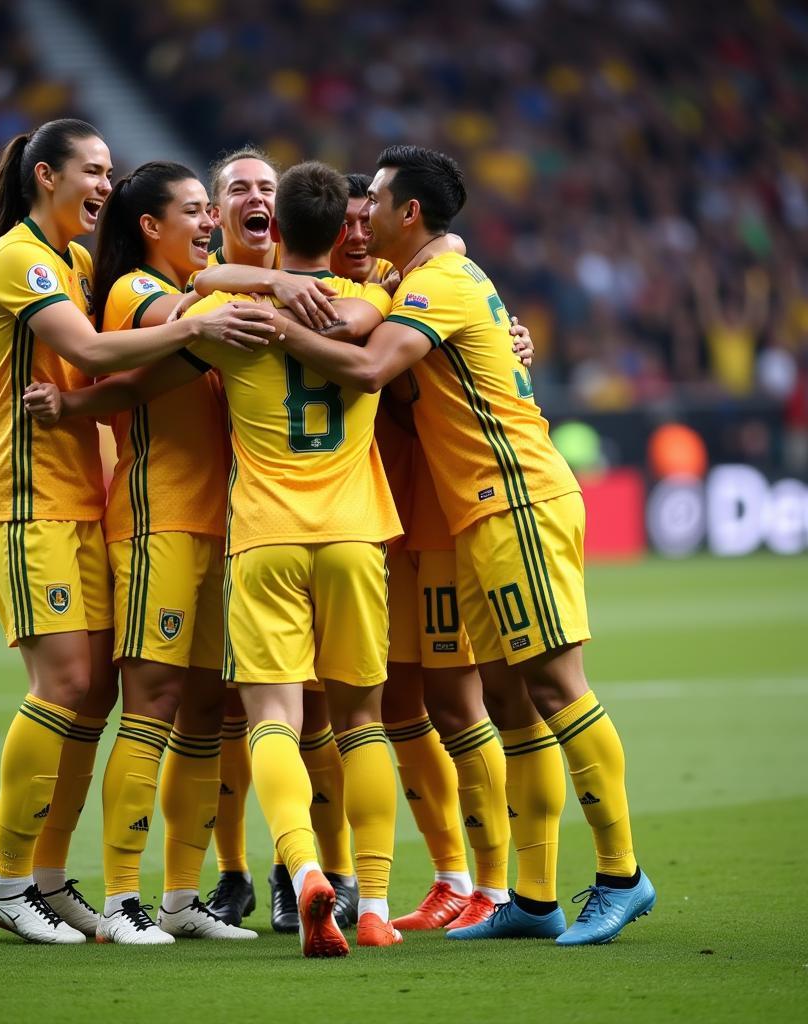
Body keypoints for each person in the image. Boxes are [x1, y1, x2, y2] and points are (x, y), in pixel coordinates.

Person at [266, 145, 655, 947]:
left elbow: (372, 367)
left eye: (372, 199)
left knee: (556, 686)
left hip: (517, 498)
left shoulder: (438, 284)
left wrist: (276, 328)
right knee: (512, 702)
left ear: (409, 212)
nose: (360, 213)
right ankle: (534, 898)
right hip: (479, 511)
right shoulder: (430, 280)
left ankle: (622, 875)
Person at [31, 161, 404, 957]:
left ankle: (280, 874)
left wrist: (72, 401)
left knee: (251, 718)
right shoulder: (374, 304)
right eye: (210, 200)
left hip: (257, 535)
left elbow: (137, 380)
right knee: (332, 718)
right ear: (343, 232)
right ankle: (363, 898)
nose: (224, 213)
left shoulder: (235, 315)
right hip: (270, 528)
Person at [0, 118, 274, 946]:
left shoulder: (75, 262)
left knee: (94, 692)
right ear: (45, 176)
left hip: (82, 495)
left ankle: (25, 868)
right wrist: (200, 324)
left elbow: (125, 377)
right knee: (69, 686)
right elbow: (98, 353)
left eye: (109, 173)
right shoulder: (21, 257)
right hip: (29, 497)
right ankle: (15, 882)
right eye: (91, 172)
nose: (103, 183)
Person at [25, 160, 257, 944]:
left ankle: (181, 898)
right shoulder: (135, 293)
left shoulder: (202, 295)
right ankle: (122, 896)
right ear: (151, 226)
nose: (207, 223)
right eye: (193, 211)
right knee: (151, 701)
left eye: (208, 211)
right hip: (158, 521)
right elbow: (177, 343)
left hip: (220, 528)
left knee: (206, 712)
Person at [333, 175, 522, 932]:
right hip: (376, 525)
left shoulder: (401, 286)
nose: (354, 233)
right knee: (402, 700)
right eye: (343, 221)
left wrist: (516, 341)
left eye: (363, 217)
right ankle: (449, 876)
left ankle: (496, 885)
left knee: (454, 698)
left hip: (440, 514)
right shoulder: (301, 285)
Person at [193, 147, 357, 933]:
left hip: (266, 528)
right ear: (216, 213)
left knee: (293, 716)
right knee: (227, 716)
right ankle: (233, 874)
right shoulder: (337, 298)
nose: (254, 197)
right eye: (237, 189)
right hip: (228, 523)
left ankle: (307, 873)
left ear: (278, 216)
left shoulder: (237, 307)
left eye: (266, 186)